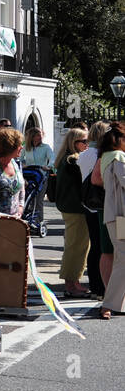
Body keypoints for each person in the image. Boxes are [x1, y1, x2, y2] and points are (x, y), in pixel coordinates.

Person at [54, 128, 92, 298]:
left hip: (71, 208)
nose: (87, 144)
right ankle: (71, 283)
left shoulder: (67, 159)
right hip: (76, 209)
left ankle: (73, 281)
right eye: (84, 141)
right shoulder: (72, 160)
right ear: (73, 142)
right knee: (76, 247)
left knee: (78, 246)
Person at [94, 123, 125, 318]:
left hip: (114, 215)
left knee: (121, 257)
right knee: (123, 257)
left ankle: (116, 303)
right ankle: (109, 303)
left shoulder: (105, 158)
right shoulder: (119, 157)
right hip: (121, 214)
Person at [80, 120, 112, 298]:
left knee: (95, 246)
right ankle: (102, 286)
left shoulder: (84, 154)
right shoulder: (100, 154)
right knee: (104, 248)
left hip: (88, 204)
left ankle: (95, 285)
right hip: (101, 203)